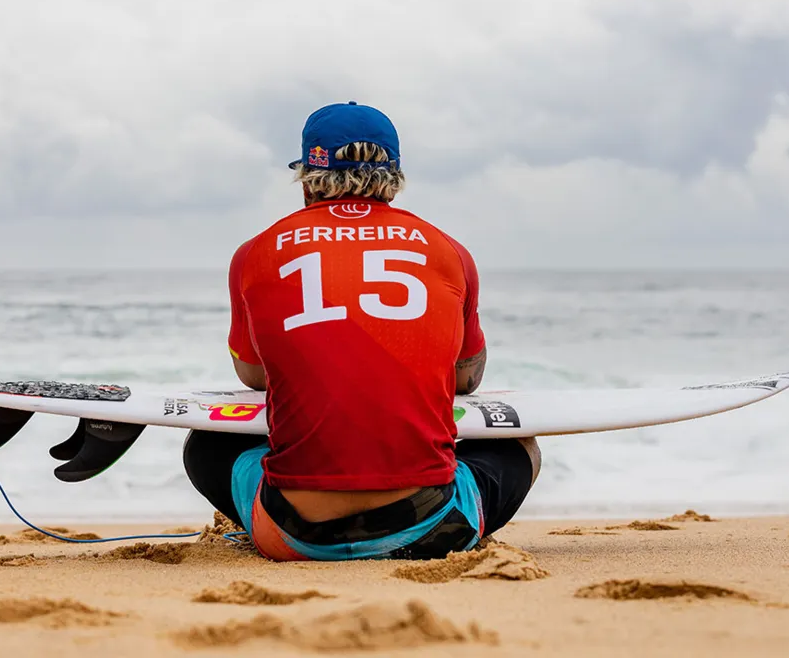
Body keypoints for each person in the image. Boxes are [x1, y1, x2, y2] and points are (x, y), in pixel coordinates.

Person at [183, 101, 540, 561]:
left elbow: (254, 377)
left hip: (296, 536)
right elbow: (467, 379)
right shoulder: (449, 250)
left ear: (308, 177)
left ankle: (295, 531)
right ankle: (432, 526)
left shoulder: (255, 252)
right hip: (431, 527)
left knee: (206, 445)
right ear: (393, 176)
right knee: (520, 447)